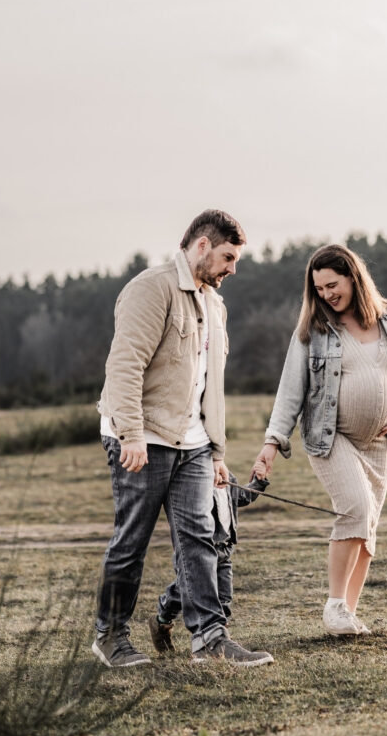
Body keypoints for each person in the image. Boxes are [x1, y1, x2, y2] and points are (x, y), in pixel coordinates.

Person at [93, 209, 273, 668]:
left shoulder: (215, 304)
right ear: (200, 246)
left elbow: (211, 383)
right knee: (132, 540)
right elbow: (124, 365)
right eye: (228, 257)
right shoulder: (150, 289)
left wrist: (216, 451)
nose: (233, 268)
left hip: (193, 444)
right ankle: (110, 636)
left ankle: (210, 639)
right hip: (142, 439)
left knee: (200, 538)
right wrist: (131, 432)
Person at [251, 244, 387, 637]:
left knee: (368, 526)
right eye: (319, 288)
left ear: (353, 277)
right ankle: (333, 607)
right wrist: (271, 443)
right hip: (332, 439)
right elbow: (289, 391)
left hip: (378, 444)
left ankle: (347, 613)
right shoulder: (314, 330)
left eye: (333, 284)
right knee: (356, 509)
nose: (327, 294)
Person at [148, 471, 269, 652]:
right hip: (199, 550)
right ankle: (162, 620)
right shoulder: (195, 480)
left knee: (224, 597)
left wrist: (258, 483)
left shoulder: (230, 478)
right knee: (185, 589)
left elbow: (241, 497)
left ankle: (219, 639)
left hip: (224, 550)